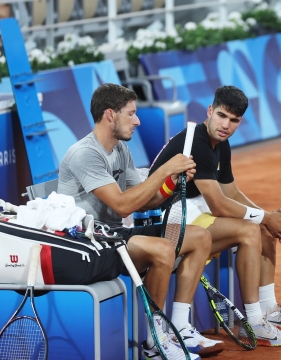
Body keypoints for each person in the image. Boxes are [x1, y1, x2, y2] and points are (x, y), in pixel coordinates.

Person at [57, 83, 220, 359]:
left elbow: (147, 199)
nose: (138, 120)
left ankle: (178, 324)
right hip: (91, 244)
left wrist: (170, 183)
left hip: (117, 237)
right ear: (110, 115)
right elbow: (122, 206)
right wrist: (165, 169)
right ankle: (155, 342)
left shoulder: (120, 149)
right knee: (163, 249)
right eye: (131, 114)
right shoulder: (85, 154)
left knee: (200, 237)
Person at [148, 85, 281, 347]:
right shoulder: (199, 143)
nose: (226, 125)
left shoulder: (220, 145)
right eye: (222, 116)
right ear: (210, 110)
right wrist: (262, 217)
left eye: (234, 120)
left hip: (195, 214)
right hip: (170, 222)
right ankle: (254, 322)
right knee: (251, 228)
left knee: (261, 226)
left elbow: (231, 192)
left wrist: (267, 216)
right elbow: (218, 205)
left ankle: (269, 310)